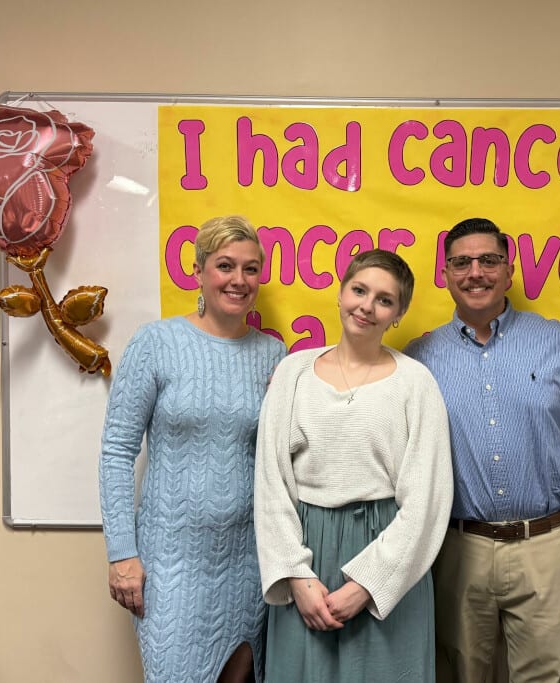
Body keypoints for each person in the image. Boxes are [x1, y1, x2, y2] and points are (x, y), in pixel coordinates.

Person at [99, 215, 287, 683]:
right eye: (226, 266)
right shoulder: (155, 343)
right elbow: (117, 451)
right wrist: (122, 553)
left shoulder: (273, 355)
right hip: (170, 563)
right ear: (200, 270)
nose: (239, 280)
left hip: (247, 561)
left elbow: (280, 457)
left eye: (250, 269)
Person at [404, 218, 560, 683]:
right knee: (462, 675)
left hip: (545, 546)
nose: (475, 273)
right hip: (458, 548)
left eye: (489, 260)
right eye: (461, 262)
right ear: (444, 274)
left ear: (509, 271)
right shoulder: (419, 358)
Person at [254, 248, 453, 683]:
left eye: (384, 299)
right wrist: (296, 577)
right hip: (306, 554)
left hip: (390, 556)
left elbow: (427, 500)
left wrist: (368, 584)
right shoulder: (292, 373)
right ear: (341, 292)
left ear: (398, 313)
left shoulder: (416, 383)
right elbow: (270, 485)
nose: (367, 306)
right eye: (359, 290)